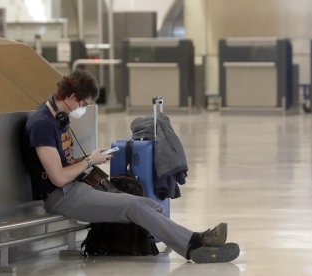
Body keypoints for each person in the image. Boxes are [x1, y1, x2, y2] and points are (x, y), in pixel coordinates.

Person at [22, 70, 239, 263]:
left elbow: (63, 162)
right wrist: (89, 161)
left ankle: (193, 241)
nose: (84, 109)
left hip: (76, 187)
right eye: (84, 104)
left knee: (152, 206)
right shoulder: (42, 125)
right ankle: (194, 244)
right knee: (134, 207)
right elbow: (58, 178)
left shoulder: (58, 119)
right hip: (61, 196)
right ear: (71, 97)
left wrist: (90, 157)